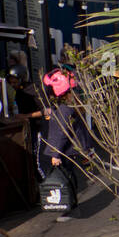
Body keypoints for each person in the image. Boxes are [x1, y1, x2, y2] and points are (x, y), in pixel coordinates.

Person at [39, 69, 93, 222]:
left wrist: (56, 154)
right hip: (71, 149)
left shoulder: (64, 109)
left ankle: (71, 208)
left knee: (67, 178)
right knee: (69, 176)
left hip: (66, 150)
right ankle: (72, 207)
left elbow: (62, 133)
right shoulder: (70, 104)